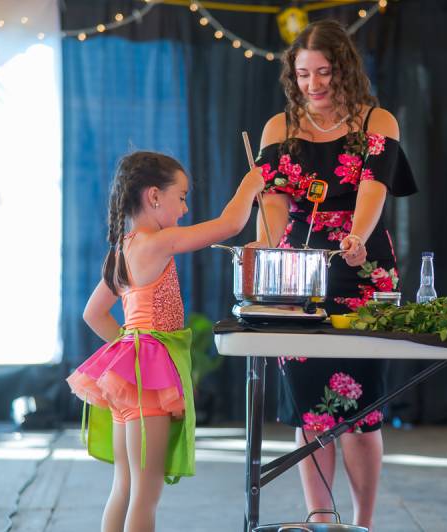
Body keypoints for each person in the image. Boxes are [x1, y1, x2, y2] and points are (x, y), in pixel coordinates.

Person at [254, 19, 417, 528]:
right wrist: (268, 246)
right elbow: (275, 206)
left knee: (362, 410)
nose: (314, 85)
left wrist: (357, 237)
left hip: (362, 270)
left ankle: (363, 523)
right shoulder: (278, 128)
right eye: (303, 75)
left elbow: (372, 192)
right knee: (310, 409)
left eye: (323, 73)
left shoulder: (378, 121)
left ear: (344, 69)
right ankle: (321, 519)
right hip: (296, 275)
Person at [67, 151, 263, 532]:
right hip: (148, 385)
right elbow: (229, 223)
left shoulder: (122, 249)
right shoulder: (157, 243)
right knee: (146, 492)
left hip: (128, 384)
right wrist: (250, 185)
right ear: (154, 196)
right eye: (183, 196)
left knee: (124, 486)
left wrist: (129, 352)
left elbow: (94, 314)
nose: (186, 208)